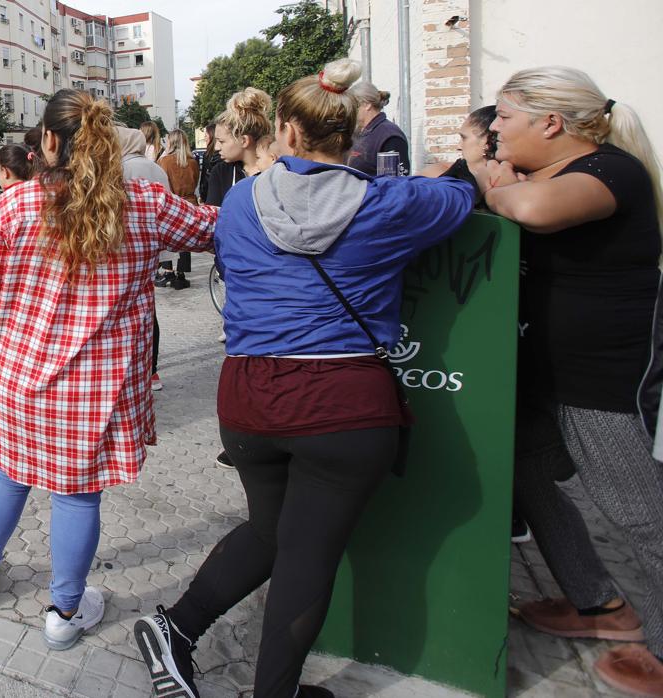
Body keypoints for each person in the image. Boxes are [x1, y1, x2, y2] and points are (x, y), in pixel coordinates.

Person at [132, 58, 475, 698]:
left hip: (248, 398)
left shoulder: (236, 202)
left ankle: (175, 629)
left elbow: (234, 269)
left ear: (285, 132)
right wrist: (457, 171)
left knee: (272, 530)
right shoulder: (389, 202)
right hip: (343, 405)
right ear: (352, 134)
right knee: (307, 554)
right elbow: (462, 195)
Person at [0, 89, 217, 651]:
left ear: (47, 141)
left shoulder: (7, 210)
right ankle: (63, 613)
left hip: (15, 384)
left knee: (7, 473)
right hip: (92, 396)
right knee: (76, 497)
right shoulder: (143, 205)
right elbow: (218, 228)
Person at [481, 67, 663, 698]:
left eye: (504, 117)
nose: (494, 128)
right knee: (526, 476)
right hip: (548, 377)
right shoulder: (549, 171)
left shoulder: (612, 171)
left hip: (601, 385)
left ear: (550, 123)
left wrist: (496, 182)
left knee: (642, 519)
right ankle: (600, 604)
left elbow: (528, 210)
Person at [118, 125, 173, 392]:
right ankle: (152, 372)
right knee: (149, 308)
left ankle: (135, 371)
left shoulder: (124, 170)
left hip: (127, 249)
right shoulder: (156, 167)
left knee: (132, 312)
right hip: (155, 243)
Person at [204, 88, 273, 207]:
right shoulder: (220, 173)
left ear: (244, 140)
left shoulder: (275, 171)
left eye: (221, 141)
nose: (216, 147)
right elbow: (214, 218)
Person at [157, 129, 201, 290]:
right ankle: (181, 274)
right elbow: (196, 182)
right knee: (185, 241)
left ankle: (168, 270)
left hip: (172, 202)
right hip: (189, 202)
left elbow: (161, 182)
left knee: (167, 238)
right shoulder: (193, 162)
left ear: (171, 141)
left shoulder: (164, 161)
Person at [347, 81, 410, 176]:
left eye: (352, 106)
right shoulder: (359, 132)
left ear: (367, 104)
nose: (349, 111)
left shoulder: (389, 136)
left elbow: (393, 184)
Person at [419, 105, 498, 178]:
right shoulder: (438, 174)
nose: (459, 146)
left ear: (488, 141)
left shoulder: (506, 181)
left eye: (464, 138)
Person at [197, 122, 220, 205]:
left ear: (212, 136)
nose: (204, 138)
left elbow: (205, 179)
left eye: (206, 135)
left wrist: (202, 196)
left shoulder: (209, 155)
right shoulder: (217, 154)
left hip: (210, 198)